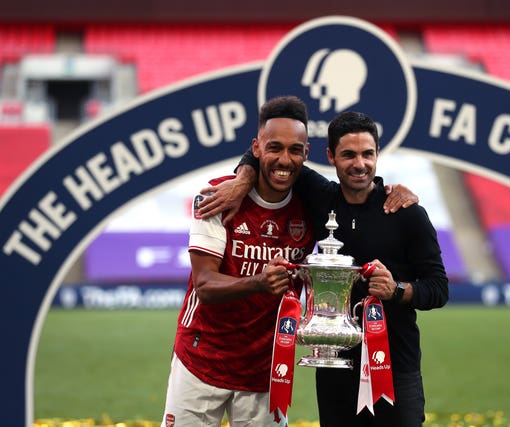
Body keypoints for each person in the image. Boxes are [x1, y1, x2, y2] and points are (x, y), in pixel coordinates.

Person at [199, 111, 449, 427]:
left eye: (367, 154)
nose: (359, 164)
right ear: (330, 156)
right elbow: (262, 152)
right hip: (332, 362)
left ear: (377, 155)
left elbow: (439, 288)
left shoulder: (407, 213)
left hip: (394, 367)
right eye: (348, 154)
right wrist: (242, 180)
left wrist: (398, 290)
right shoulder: (320, 197)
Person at [160, 95, 316, 427]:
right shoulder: (217, 196)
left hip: (266, 367)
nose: (284, 160)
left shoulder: (313, 207)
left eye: (294, 149)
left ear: (307, 153)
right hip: (202, 359)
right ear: (256, 148)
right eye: (274, 147)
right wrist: (259, 281)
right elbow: (204, 284)